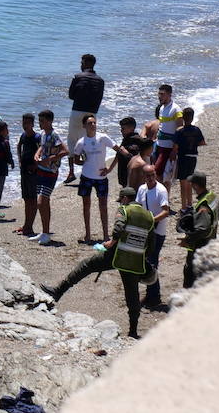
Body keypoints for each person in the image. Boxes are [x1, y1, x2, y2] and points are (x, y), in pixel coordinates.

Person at [43, 186, 154, 338]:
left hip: (117, 255)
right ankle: (133, 331)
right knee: (132, 295)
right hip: (135, 260)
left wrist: (112, 242)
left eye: (121, 200)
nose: (120, 203)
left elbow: (119, 228)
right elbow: (151, 244)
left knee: (86, 266)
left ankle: (58, 291)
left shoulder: (124, 210)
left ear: (125, 199)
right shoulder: (149, 216)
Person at [72, 114, 116, 243]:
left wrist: (110, 169)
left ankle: (106, 235)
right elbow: (76, 160)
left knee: (103, 206)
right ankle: (88, 235)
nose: (93, 125)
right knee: (86, 206)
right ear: (84, 126)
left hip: (101, 177)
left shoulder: (103, 138)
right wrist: (84, 162)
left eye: (94, 123)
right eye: (90, 123)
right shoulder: (81, 142)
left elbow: (118, 150)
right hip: (86, 177)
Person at [65, 55, 105, 184]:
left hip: (77, 111)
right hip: (92, 113)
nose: (80, 64)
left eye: (82, 62)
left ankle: (71, 172)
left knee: (72, 141)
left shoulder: (78, 77)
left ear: (87, 63)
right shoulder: (100, 80)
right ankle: (88, 170)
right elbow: (100, 98)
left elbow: (71, 95)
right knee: (87, 141)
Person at [176, 171, 219, 288]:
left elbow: (202, 229)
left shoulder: (203, 206)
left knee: (191, 275)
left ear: (196, 185)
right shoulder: (212, 196)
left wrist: (187, 240)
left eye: (192, 184)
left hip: (200, 246)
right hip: (211, 241)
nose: (190, 186)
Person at [135, 164, 170, 307]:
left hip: (158, 232)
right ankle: (151, 295)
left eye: (152, 175)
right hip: (146, 232)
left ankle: (154, 297)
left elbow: (166, 211)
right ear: (143, 177)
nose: (150, 178)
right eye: (147, 176)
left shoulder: (161, 190)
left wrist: (151, 220)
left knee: (152, 263)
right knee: (148, 262)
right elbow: (137, 206)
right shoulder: (142, 189)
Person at [31, 109, 66, 244]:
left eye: (42, 121)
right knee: (44, 202)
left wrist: (51, 158)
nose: (40, 123)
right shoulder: (43, 134)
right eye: (39, 121)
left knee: (41, 202)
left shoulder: (54, 134)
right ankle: (44, 232)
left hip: (50, 173)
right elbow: (42, 146)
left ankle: (46, 233)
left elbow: (65, 151)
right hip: (41, 171)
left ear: (50, 121)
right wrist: (37, 154)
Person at [173, 108, 206, 210]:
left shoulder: (179, 131)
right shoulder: (196, 130)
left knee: (183, 182)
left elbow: (175, 146)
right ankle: (190, 204)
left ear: (183, 118)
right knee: (190, 181)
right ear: (192, 118)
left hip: (183, 158)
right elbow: (202, 142)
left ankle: (183, 207)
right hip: (193, 158)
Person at [15, 112, 40, 236]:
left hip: (33, 173)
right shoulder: (23, 135)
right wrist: (19, 160)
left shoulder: (37, 137)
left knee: (33, 199)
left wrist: (36, 166)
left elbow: (43, 152)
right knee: (26, 199)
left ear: (32, 124)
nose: (25, 125)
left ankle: (30, 227)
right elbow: (19, 146)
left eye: (27, 123)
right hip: (24, 171)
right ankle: (26, 225)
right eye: (23, 123)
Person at [151, 84, 179, 188]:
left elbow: (179, 130)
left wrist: (174, 150)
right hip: (158, 145)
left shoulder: (176, 109)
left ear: (169, 95)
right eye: (159, 94)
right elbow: (161, 126)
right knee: (160, 173)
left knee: (158, 172)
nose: (159, 96)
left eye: (162, 94)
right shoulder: (162, 108)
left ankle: (161, 197)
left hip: (167, 147)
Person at [112, 116, 147, 188]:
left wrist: (126, 154)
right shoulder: (126, 139)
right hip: (125, 176)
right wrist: (109, 169)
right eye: (121, 128)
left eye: (123, 128)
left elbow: (138, 161)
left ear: (131, 129)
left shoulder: (135, 141)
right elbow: (118, 155)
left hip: (132, 177)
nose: (121, 130)